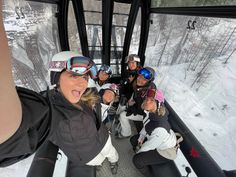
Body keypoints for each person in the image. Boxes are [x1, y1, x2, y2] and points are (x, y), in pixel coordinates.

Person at [0, 7, 118, 175]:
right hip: (86, 155)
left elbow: (97, 111)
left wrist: (106, 102)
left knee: (112, 153)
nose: (81, 83)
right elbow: (11, 131)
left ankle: (114, 162)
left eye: (85, 77)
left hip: (103, 138)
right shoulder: (49, 109)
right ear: (56, 77)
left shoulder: (87, 93)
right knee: (98, 161)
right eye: (73, 75)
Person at [130, 89, 177, 177]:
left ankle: (149, 175)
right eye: (147, 99)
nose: (147, 101)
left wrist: (139, 151)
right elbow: (147, 126)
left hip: (165, 151)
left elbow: (150, 145)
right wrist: (141, 137)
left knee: (137, 160)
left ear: (158, 104)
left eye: (152, 100)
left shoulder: (160, 127)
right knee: (134, 140)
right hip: (156, 140)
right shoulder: (150, 113)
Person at [116, 67, 157, 138]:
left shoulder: (149, 93)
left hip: (144, 114)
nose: (140, 79)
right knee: (123, 103)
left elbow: (145, 110)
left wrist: (131, 109)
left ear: (149, 81)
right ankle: (118, 117)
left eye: (144, 79)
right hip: (136, 103)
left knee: (123, 115)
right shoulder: (139, 84)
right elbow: (136, 93)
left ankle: (126, 133)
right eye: (140, 76)